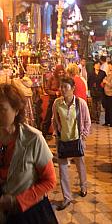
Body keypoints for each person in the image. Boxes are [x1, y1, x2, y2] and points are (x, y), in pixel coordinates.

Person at [0, 83, 57, 223]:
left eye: (1, 109)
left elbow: (49, 181)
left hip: (29, 214)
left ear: (16, 110)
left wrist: (17, 201)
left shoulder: (33, 139)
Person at [52, 77, 91, 211]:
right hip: (63, 141)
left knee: (80, 165)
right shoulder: (57, 103)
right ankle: (67, 197)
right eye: (61, 87)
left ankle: (83, 186)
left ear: (73, 88)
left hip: (77, 140)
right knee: (63, 170)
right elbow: (55, 120)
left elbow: (87, 122)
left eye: (65, 87)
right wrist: (56, 135)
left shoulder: (81, 104)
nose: (62, 90)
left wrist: (83, 136)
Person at [42, 64, 65, 136]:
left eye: (62, 72)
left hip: (62, 100)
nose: (61, 74)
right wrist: (55, 93)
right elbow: (47, 89)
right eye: (59, 72)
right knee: (48, 117)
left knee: (62, 118)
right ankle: (44, 134)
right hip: (53, 100)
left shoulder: (64, 78)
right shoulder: (52, 78)